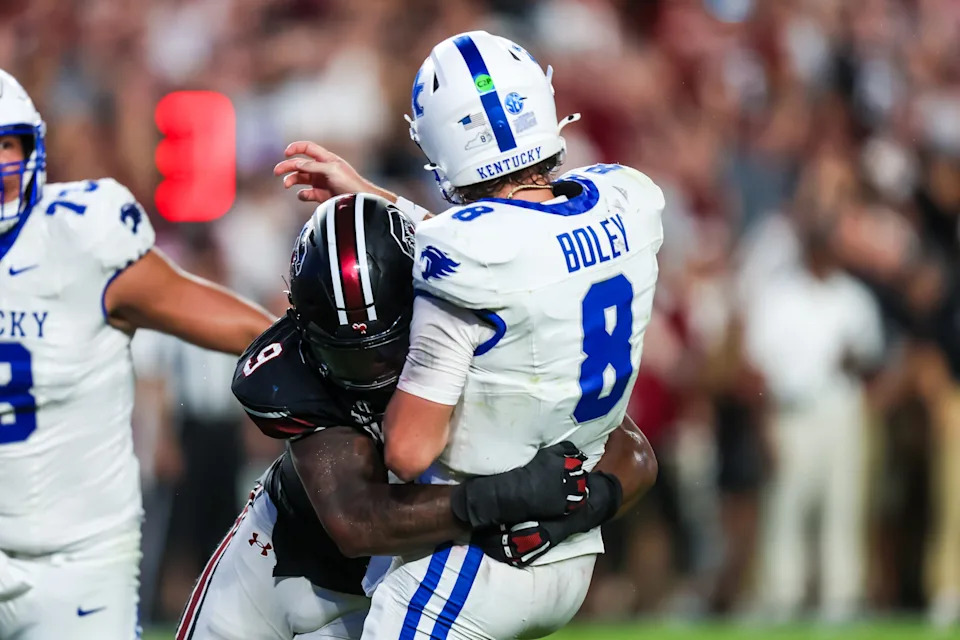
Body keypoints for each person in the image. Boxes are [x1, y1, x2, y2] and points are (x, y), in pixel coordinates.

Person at [275, 30, 665, 640]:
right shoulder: (628, 199)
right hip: (574, 543)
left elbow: (410, 449)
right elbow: (525, 246)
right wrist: (378, 197)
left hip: (472, 557)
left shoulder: (467, 256)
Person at [177, 192, 657, 640]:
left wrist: (575, 511)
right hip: (278, 552)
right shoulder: (290, 371)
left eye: (390, 349)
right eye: (351, 356)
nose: (375, 371)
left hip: (395, 582)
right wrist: (505, 498)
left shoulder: (469, 327)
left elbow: (630, 452)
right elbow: (356, 521)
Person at [0, 68, 274, 640]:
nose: (2, 164)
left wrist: (310, 352)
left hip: (76, 560)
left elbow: (229, 321)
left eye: (9, 144)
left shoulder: (78, 238)